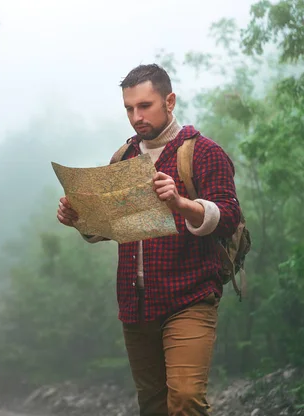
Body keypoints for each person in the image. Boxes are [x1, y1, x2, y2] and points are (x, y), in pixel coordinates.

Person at [56, 64, 242, 415]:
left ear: (169, 101)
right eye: (129, 108)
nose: (136, 116)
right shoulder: (123, 157)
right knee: (153, 406)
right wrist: (78, 221)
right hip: (135, 304)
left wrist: (181, 203)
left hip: (190, 296)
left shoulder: (202, 152)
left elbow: (228, 217)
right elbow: (112, 227)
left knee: (186, 399)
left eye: (145, 105)